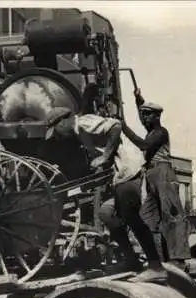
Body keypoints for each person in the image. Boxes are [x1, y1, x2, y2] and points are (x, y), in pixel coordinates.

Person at [46, 107, 168, 282]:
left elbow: (116, 126)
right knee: (107, 213)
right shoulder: (81, 132)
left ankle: (156, 267)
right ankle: (131, 260)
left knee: (131, 216)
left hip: (129, 171)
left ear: (63, 121)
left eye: (55, 130)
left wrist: (105, 157)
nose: (57, 135)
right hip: (119, 175)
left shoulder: (83, 123)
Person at [121, 88, 191, 270]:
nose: (143, 118)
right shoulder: (151, 130)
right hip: (151, 175)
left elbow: (143, 145)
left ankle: (178, 259)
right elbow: (141, 116)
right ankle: (158, 257)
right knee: (147, 217)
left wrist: (123, 127)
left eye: (147, 115)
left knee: (172, 215)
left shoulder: (160, 132)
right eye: (143, 115)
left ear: (156, 117)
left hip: (163, 173)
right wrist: (138, 100)